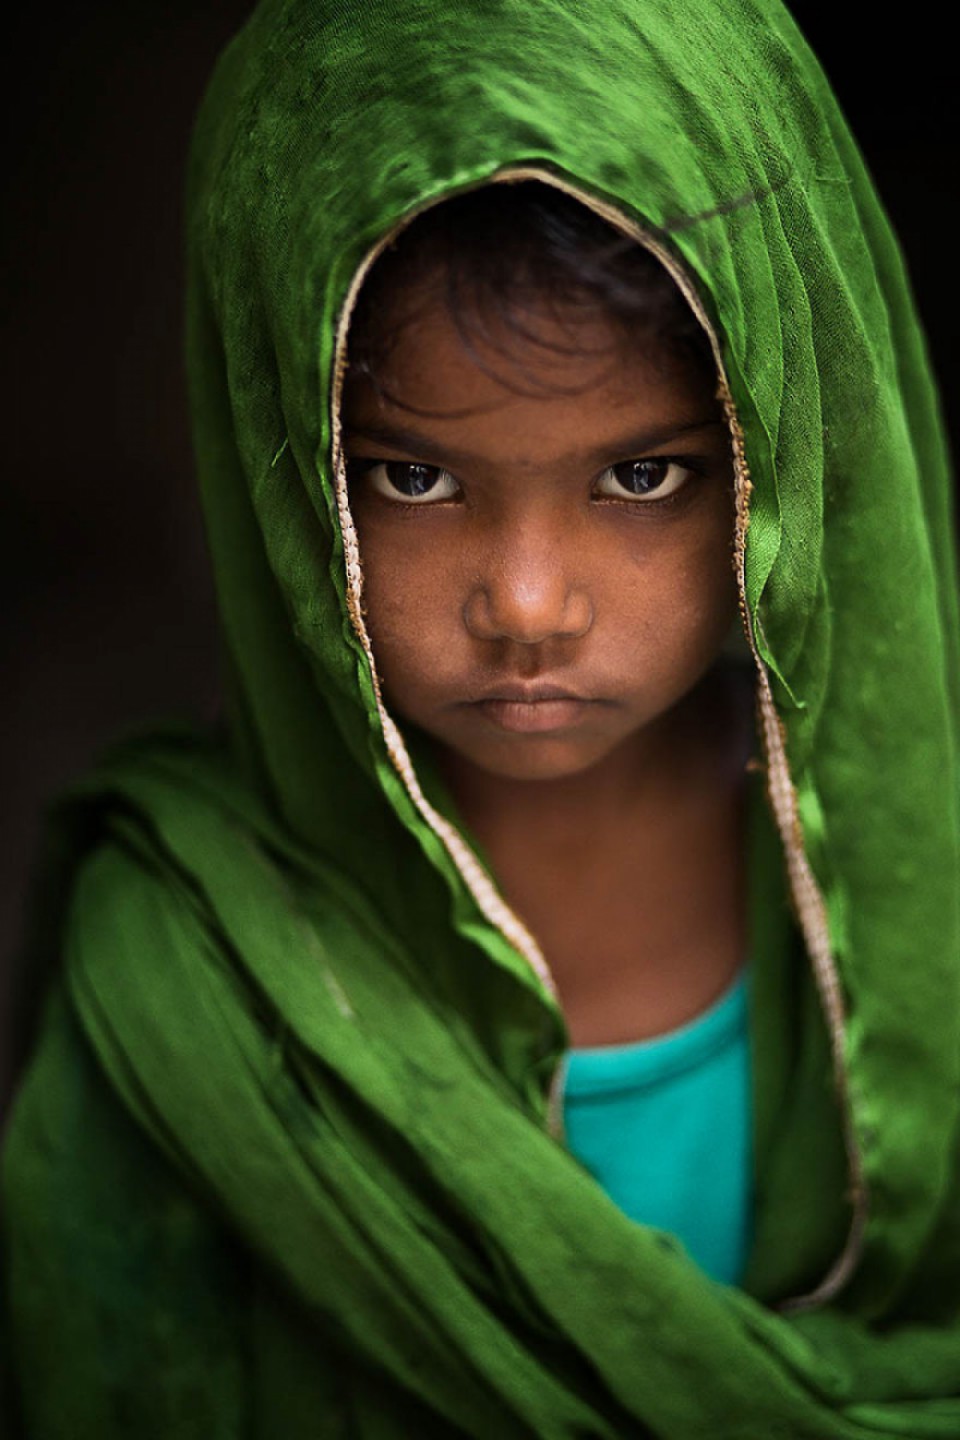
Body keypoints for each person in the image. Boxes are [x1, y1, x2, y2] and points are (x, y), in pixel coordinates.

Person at [2, 0, 959, 1435]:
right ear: (286, 469)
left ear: (788, 457)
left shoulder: (923, 913)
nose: (526, 603)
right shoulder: (179, 978)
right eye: (412, 478)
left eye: (642, 477)